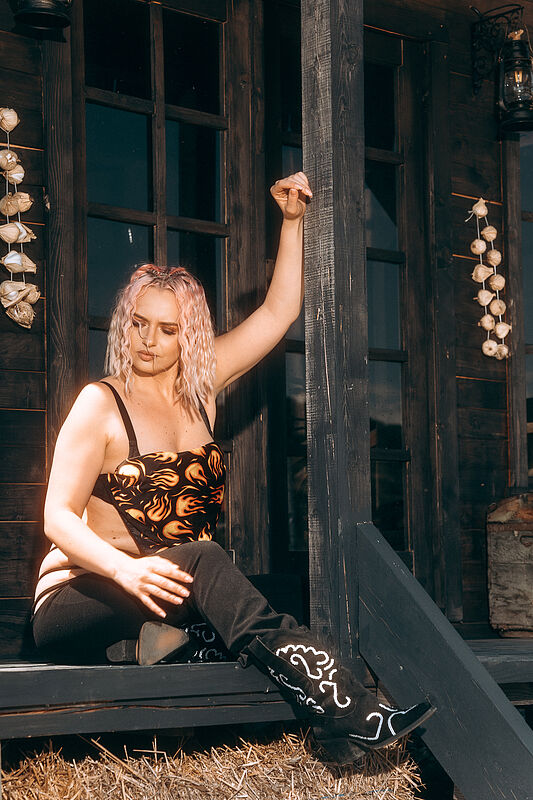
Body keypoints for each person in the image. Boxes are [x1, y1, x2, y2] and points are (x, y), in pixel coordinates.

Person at [32, 173, 434, 763]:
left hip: (166, 592)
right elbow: (57, 517)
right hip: (82, 596)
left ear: (188, 335)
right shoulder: (100, 403)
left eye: (167, 329)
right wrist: (125, 571)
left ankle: (324, 725)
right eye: (138, 323)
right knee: (207, 559)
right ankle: (352, 711)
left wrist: (292, 223)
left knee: (271, 598)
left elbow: (279, 311)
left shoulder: (202, 390)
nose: (147, 341)